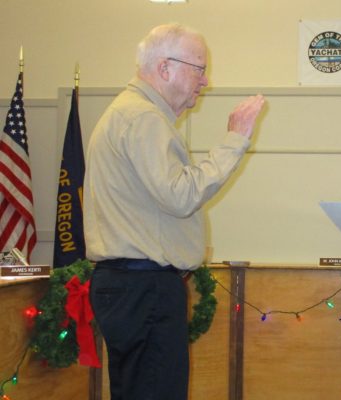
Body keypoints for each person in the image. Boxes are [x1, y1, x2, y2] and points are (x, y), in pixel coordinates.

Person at [84, 23, 265, 400]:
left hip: (130, 285)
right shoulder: (142, 118)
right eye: (198, 68)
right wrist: (235, 140)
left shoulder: (130, 113)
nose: (206, 80)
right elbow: (181, 195)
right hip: (143, 286)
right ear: (165, 68)